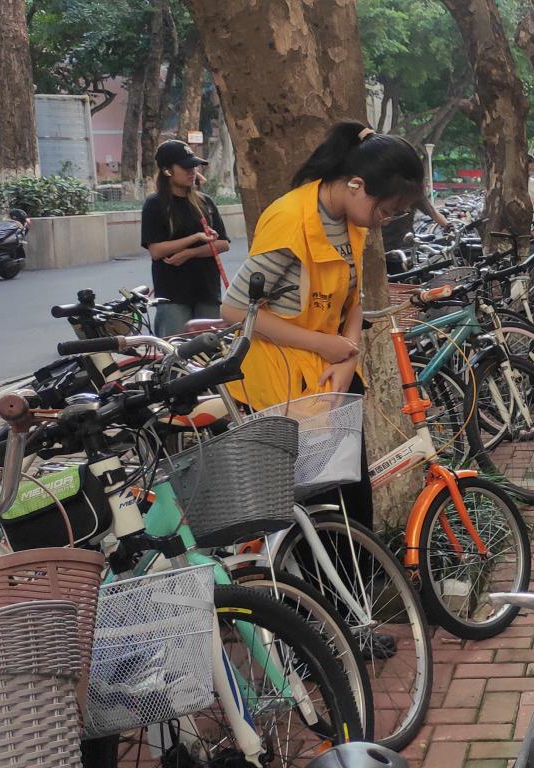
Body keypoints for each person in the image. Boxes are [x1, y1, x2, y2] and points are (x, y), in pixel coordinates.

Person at [220, 122, 429, 530]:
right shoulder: (289, 220)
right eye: (385, 210)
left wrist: (347, 358)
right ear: (355, 185)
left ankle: (355, 575)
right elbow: (235, 310)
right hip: (285, 391)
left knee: (353, 515)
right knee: (317, 522)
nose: (383, 221)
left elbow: (353, 302)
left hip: (332, 385)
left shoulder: (349, 220)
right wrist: (323, 345)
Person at [143, 140, 229, 337]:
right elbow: (156, 250)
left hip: (207, 290)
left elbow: (223, 244)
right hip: (173, 295)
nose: (192, 171)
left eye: (194, 166)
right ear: (167, 170)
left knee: (212, 349)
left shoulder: (205, 202)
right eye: (185, 167)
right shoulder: (155, 204)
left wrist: (190, 253)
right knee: (176, 349)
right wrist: (195, 237)